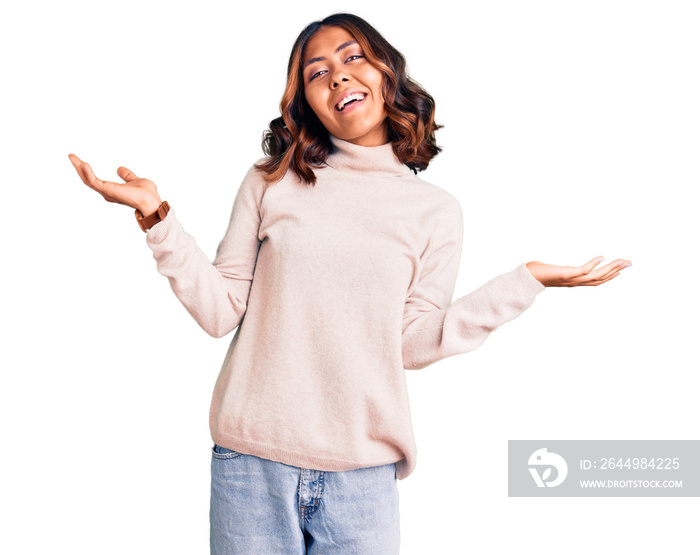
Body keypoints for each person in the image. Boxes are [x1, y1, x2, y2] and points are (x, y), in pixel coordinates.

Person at [68, 12, 631, 555]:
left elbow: (411, 342)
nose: (336, 75)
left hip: (362, 481)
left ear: (386, 73)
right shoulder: (273, 182)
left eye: (351, 57)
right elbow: (220, 311)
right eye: (316, 73)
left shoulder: (435, 212)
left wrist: (525, 282)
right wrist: (157, 219)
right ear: (307, 104)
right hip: (251, 466)